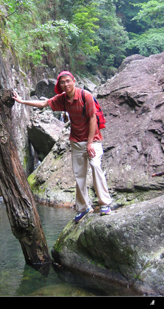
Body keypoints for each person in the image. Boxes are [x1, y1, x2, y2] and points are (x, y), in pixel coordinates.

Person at [12, 70, 112, 222]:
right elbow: (44, 103)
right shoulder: (63, 99)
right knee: (79, 175)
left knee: (96, 166)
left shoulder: (86, 96)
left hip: (94, 140)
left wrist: (90, 143)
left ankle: (104, 203)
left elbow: (93, 118)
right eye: (62, 82)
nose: (66, 84)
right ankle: (84, 207)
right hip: (76, 141)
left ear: (73, 81)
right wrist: (21, 101)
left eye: (68, 81)